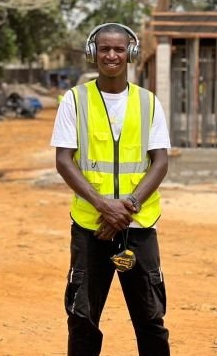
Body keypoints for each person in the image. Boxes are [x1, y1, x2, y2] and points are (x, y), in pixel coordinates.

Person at [51, 23, 171, 356]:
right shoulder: (75, 100)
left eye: (119, 49)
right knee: (83, 320)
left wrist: (127, 206)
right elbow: (64, 160)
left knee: (151, 320)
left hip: (139, 227)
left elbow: (160, 162)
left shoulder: (148, 103)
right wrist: (104, 206)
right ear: (93, 53)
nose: (111, 55)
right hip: (91, 228)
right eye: (104, 48)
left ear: (130, 53)